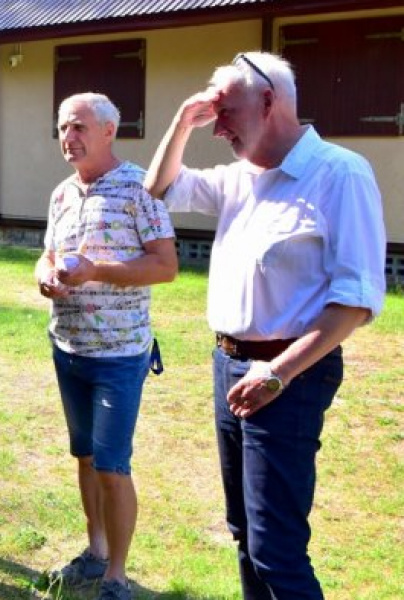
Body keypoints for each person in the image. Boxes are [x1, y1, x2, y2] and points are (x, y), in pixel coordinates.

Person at [145, 52, 386, 599]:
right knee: (245, 534)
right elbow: (158, 187)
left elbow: (354, 301)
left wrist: (278, 373)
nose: (218, 128)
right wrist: (182, 120)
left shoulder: (339, 174)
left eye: (226, 112)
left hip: (290, 375)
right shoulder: (239, 177)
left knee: (276, 548)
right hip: (228, 365)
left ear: (269, 102)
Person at [35, 93, 178, 600]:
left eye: (78, 127)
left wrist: (97, 272)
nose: (68, 137)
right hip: (68, 347)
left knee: (112, 467)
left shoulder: (141, 187)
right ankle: (95, 553)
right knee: (85, 456)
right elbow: (48, 254)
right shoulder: (61, 194)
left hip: (119, 354)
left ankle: (117, 577)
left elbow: (165, 266)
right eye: (62, 128)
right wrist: (45, 277)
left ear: (108, 131)